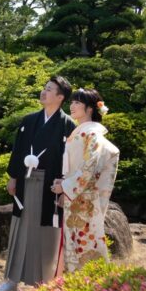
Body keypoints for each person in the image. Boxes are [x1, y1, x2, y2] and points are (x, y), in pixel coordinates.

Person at [0, 76, 75, 291]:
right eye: (44, 88)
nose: (44, 92)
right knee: (20, 227)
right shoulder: (29, 121)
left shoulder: (68, 125)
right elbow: (18, 150)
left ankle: (44, 282)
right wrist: (13, 176)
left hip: (51, 186)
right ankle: (12, 280)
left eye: (49, 89)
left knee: (47, 232)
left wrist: (65, 188)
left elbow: (72, 160)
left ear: (60, 97)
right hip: (25, 181)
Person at [52, 88, 119, 273]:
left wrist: (65, 186)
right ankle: (80, 281)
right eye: (72, 102)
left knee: (84, 239)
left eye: (77, 102)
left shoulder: (91, 133)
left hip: (84, 198)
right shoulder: (82, 132)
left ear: (89, 109)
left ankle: (91, 280)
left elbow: (89, 165)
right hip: (77, 194)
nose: (72, 106)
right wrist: (64, 185)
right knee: (76, 240)